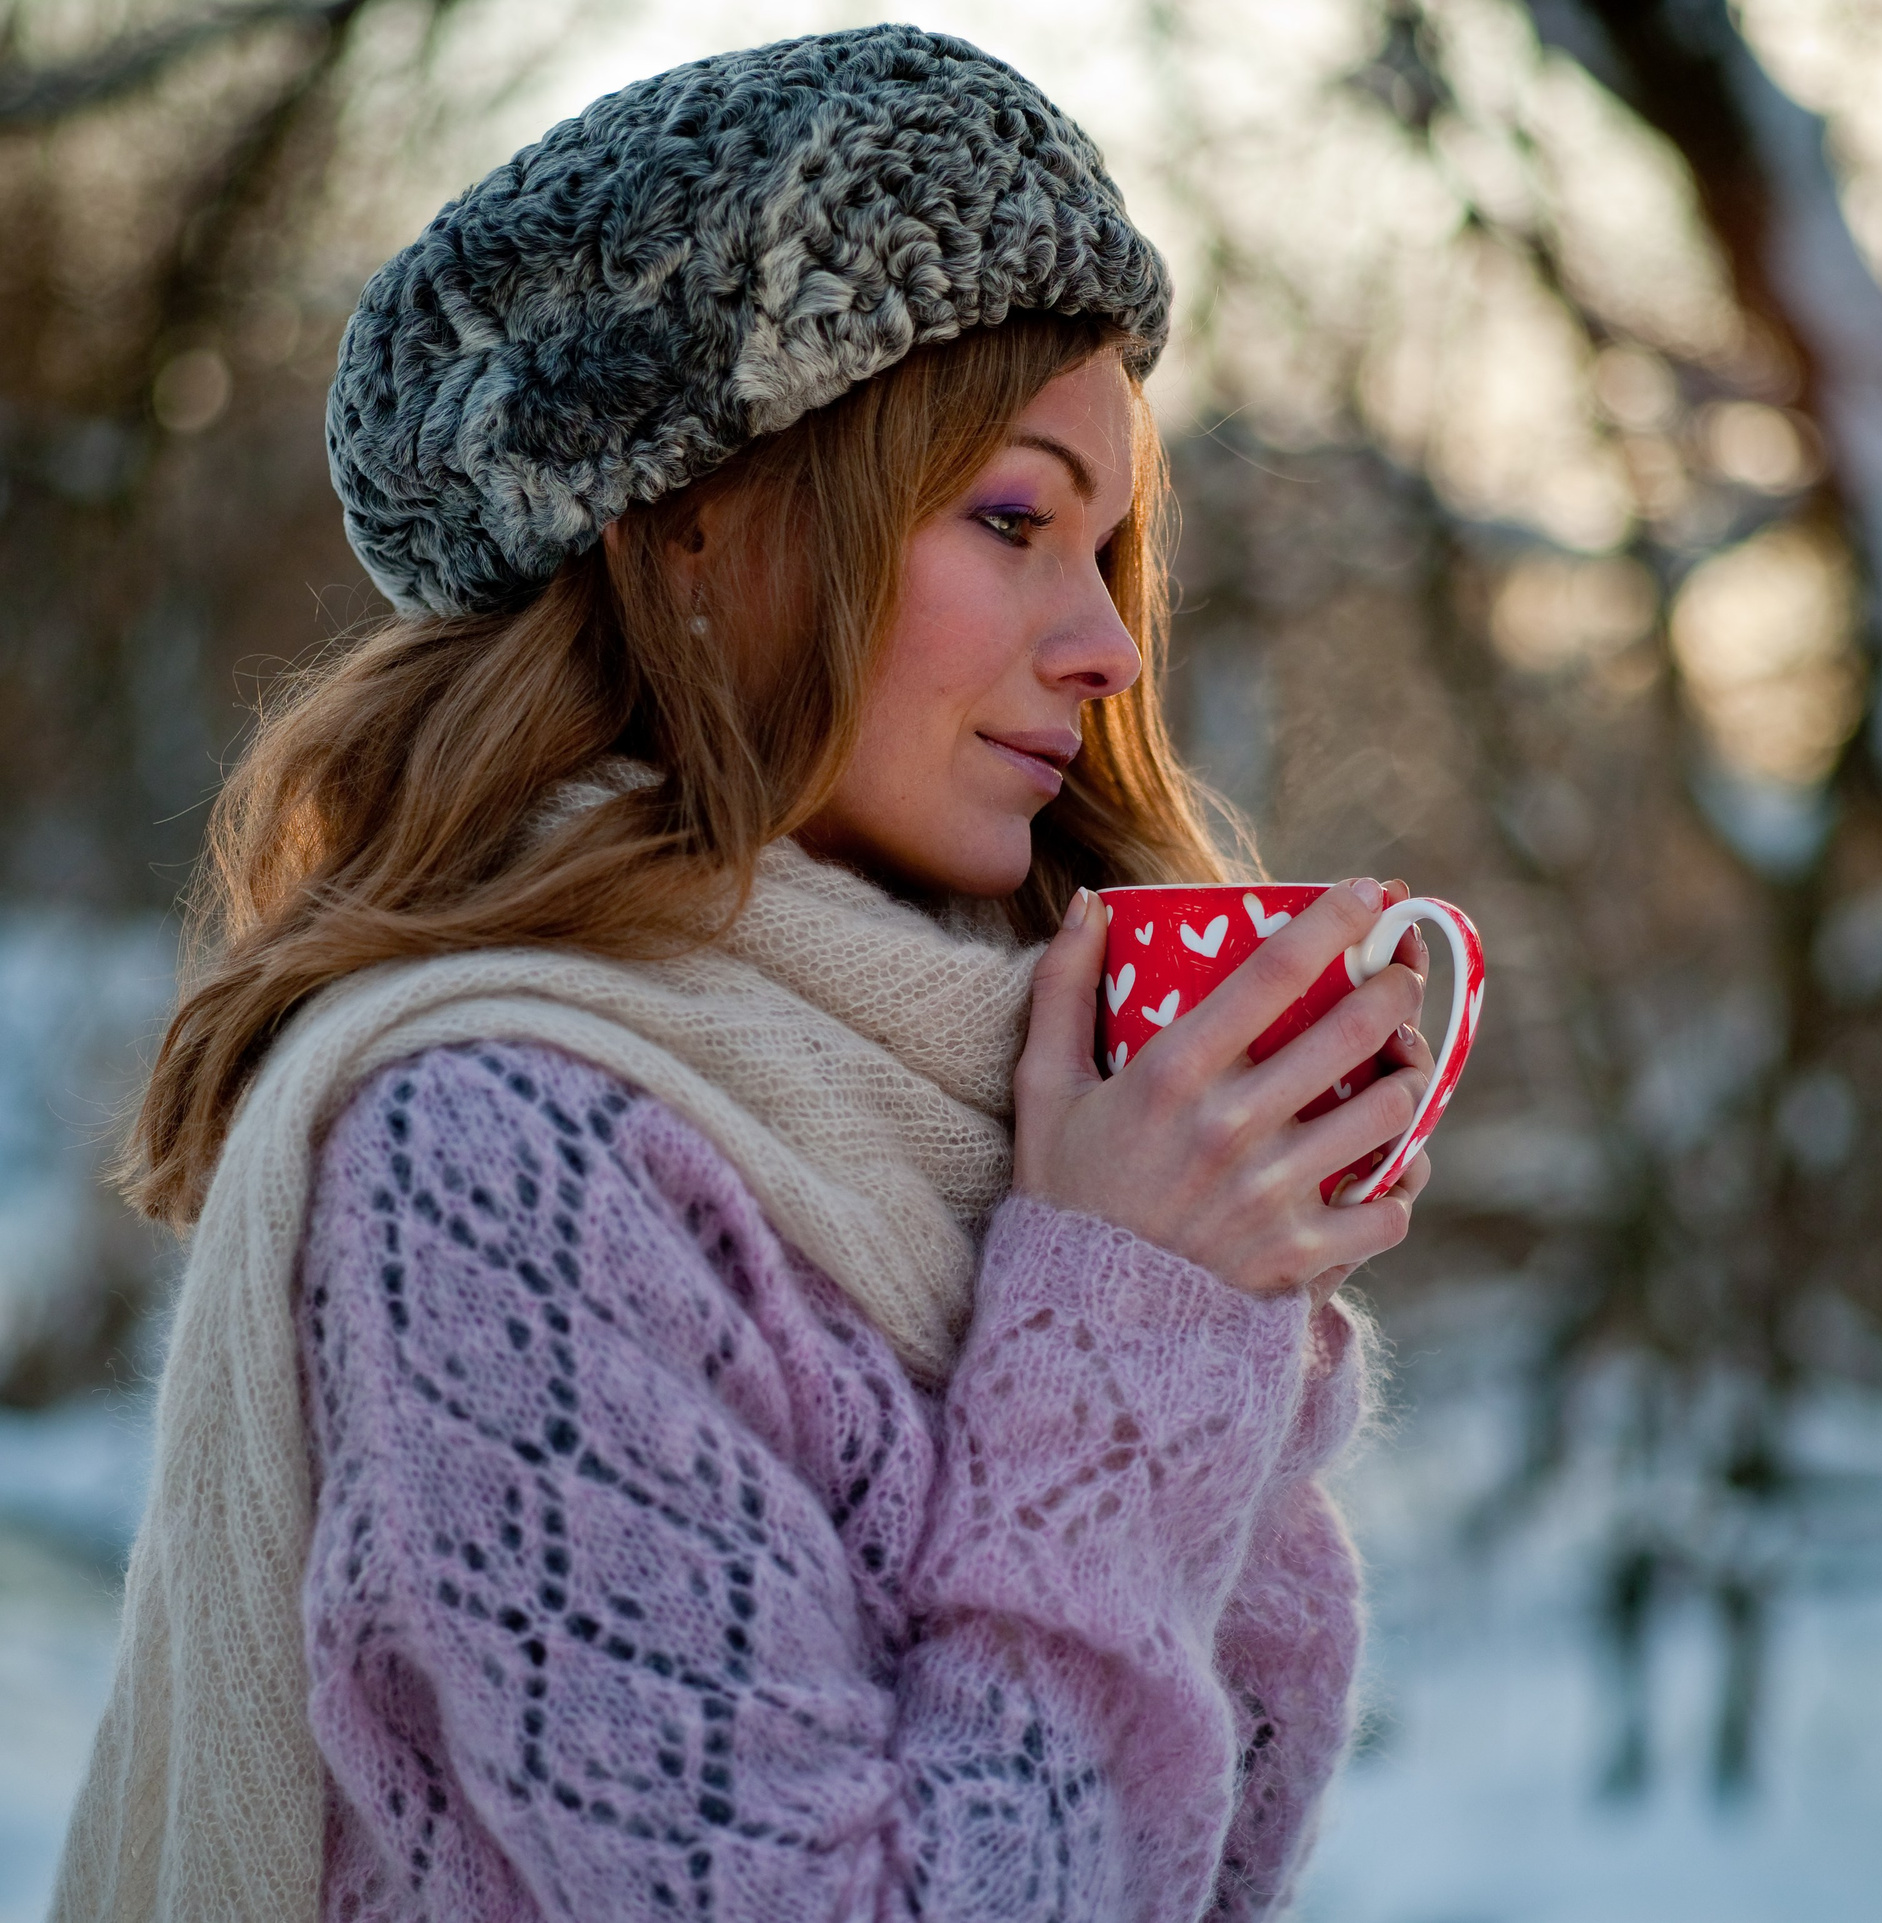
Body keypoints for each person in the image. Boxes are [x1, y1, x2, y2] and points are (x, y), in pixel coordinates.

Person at [52, 27, 1434, 1923]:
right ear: (702, 527)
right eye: (1015, 523)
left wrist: (1227, 1291)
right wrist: (1135, 1314)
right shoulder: (503, 1149)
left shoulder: (993, 1112)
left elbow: (1204, 1852)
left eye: (1109, 552)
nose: (1111, 647)